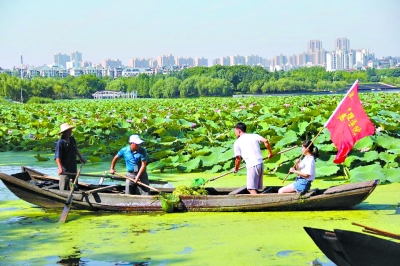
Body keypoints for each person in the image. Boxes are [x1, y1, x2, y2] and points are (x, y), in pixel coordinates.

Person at [233, 122, 274, 194]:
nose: (235, 133)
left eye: (235, 131)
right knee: (255, 188)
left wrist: (236, 169)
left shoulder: (237, 142)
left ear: (239, 131)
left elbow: (238, 159)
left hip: (252, 165)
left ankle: (259, 203)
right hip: (260, 164)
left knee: (251, 188)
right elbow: (266, 141)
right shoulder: (254, 136)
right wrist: (270, 153)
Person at [55, 123, 87, 190]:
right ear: (63, 133)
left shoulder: (72, 139)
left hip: (72, 165)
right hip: (65, 168)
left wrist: (81, 158)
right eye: (68, 131)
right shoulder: (60, 142)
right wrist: (60, 168)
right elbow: (57, 157)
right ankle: (62, 195)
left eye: (70, 130)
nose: (70, 132)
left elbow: (75, 149)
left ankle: (75, 193)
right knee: (64, 184)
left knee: (74, 183)